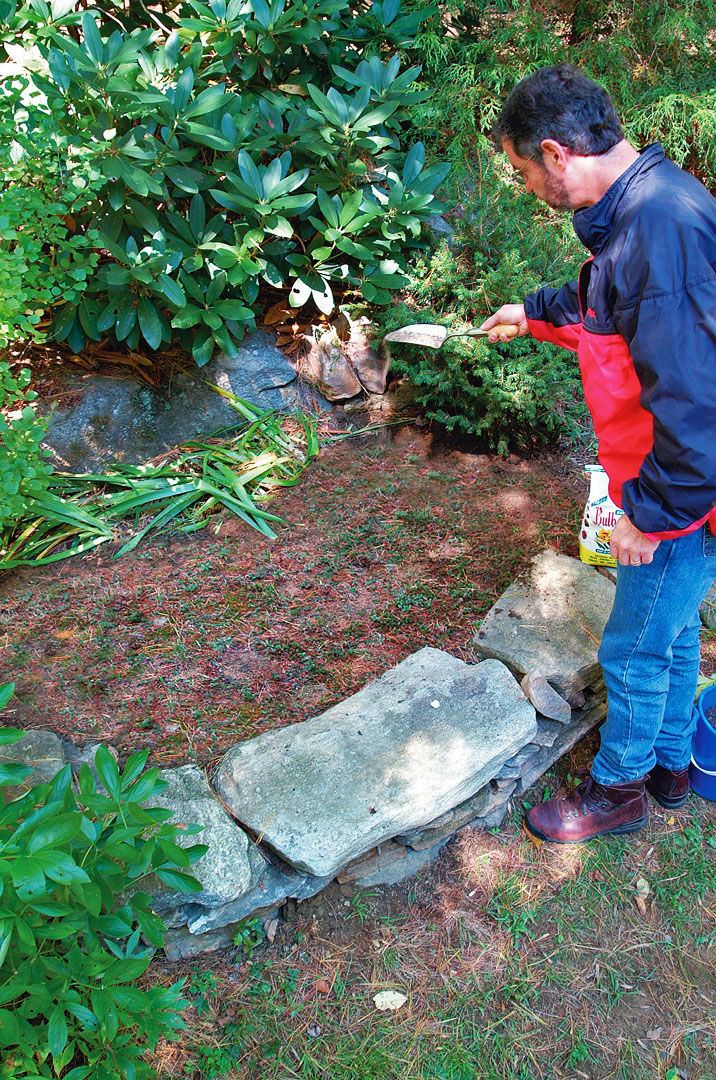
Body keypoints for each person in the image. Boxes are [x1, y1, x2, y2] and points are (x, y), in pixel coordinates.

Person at [480, 63, 716, 844]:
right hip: (675, 489)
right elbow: (608, 306)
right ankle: (673, 767)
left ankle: (617, 793)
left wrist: (650, 517)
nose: (525, 186)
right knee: (677, 635)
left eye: (521, 169)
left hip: (677, 497)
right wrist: (532, 311)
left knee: (636, 646)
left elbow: (695, 399)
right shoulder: (646, 206)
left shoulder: (660, 229)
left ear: (554, 151)